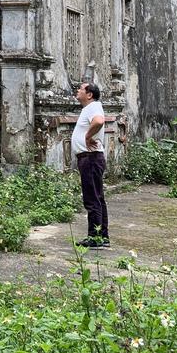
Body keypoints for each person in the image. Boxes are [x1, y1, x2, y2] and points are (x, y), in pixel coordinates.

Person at [71, 82, 110, 248]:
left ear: (89, 95)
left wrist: (87, 137)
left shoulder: (93, 107)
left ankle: (95, 237)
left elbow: (99, 121)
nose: (78, 90)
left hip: (91, 158)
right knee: (98, 198)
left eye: (81, 89)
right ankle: (102, 237)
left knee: (92, 199)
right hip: (90, 158)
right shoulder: (89, 108)